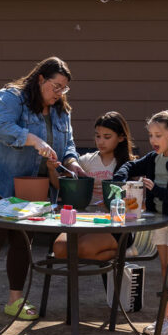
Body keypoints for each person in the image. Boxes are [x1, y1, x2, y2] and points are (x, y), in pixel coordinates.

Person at [0, 56, 86, 324]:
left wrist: (72, 163)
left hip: (32, 182)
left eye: (64, 89)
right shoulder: (10, 97)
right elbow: (0, 127)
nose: (59, 93)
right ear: (41, 79)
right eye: (56, 86)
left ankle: (15, 300)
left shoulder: (61, 111)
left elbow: (68, 144)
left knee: (23, 241)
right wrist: (31, 139)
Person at [111, 110, 168, 335]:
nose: (153, 140)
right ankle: (165, 319)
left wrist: (156, 190)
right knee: (164, 270)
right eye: (150, 135)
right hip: (160, 222)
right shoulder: (153, 158)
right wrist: (120, 178)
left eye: (158, 135)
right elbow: (131, 166)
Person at [52, 111, 137, 262]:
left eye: (107, 137)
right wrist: (51, 167)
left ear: (121, 138)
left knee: (84, 249)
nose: (101, 141)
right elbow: (60, 184)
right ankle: (117, 254)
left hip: (116, 226)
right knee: (59, 249)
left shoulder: (131, 164)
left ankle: (125, 251)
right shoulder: (85, 161)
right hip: (84, 220)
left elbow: (136, 203)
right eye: (98, 136)